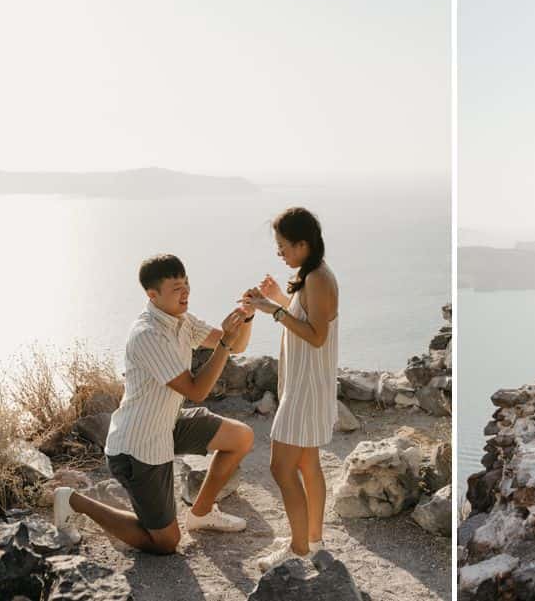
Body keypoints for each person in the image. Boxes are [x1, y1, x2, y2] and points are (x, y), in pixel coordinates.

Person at [52, 254, 256, 555]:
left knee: (241, 436)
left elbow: (236, 345)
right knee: (165, 542)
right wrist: (225, 342)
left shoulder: (182, 320)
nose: (185, 291)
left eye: (186, 283)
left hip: (167, 424)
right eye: (176, 287)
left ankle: (200, 514)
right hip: (138, 447)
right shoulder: (147, 335)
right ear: (152, 294)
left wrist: (246, 318)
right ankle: (73, 500)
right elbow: (197, 390)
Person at [243, 207, 339, 570]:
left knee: (281, 469)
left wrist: (272, 310)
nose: (279, 252)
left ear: (303, 243)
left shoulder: (317, 278)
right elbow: (309, 319)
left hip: (306, 389)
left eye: (283, 246)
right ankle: (311, 541)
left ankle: (299, 549)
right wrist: (280, 301)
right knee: (307, 463)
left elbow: (316, 337)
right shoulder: (312, 275)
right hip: (307, 385)